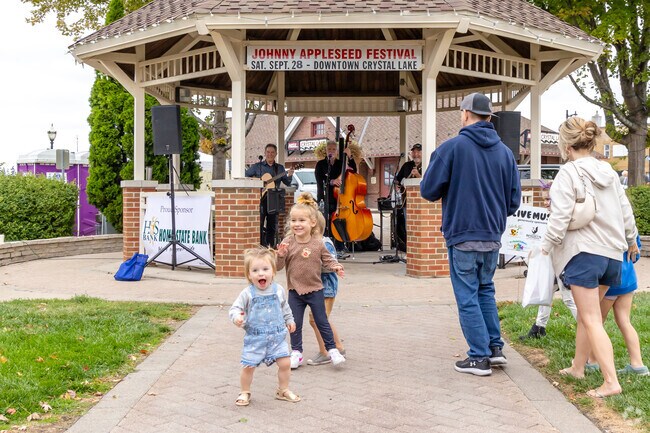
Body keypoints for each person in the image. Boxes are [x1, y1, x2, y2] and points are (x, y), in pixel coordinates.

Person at [420, 92, 521, 376]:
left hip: (462, 234)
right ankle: (495, 348)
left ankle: (478, 357)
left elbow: (428, 190)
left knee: (467, 295)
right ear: (489, 117)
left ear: (465, 114)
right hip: (492, 235)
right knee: (486, 289)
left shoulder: (451, 148)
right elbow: (513, 201)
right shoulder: (505, 153)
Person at [540, 116, 638, 398]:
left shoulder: (567, 174)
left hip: (584, 253)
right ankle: (577, 367)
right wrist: (631, 241)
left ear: (566, 146)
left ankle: (611, 381)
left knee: (592, 318)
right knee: (588, 316)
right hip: (612, 255)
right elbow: (625, 211)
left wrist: (544, 248)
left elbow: (559, 219)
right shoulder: (607, 172)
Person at [277, 193, 346, 369]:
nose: (297, 224)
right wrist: (280, 255)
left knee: (322, 321)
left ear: (312, 223)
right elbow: (278, 266)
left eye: (301, 220)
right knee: (294, 323)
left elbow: (328, 259)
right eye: (293, 221)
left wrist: (336, 267)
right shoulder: (288, 241)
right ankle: (296, 353)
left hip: (315, 289)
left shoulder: (318, 243)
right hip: (295, 291)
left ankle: (332, 351)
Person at [229, 247, 299, 406]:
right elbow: (235, 309)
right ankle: (244, 391)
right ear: (249, 274)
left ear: (273, 271)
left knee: (285, 363)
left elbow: (285, 307)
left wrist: (290, 320)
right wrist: (237, 317)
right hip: (255, 338)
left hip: (277, 336)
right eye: (255, 270)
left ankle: (283, 389)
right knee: (248, 366)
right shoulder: (247, 293)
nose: (261, 274)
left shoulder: (278, 290)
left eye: (265, 269)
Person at [597, 236, 648, 376]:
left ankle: (593, 360)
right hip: (629, 278)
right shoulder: (631, 227)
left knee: (596, 321)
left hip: (610, 282)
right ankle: (638, 364)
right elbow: (635, 254)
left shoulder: (609, 223)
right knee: (625, 321)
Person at [307, 212, 346, 365]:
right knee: (321, 319)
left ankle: (325, 351)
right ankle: (338, 346)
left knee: (317, 319)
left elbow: (332, 264)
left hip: (326, 287)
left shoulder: (324, 243)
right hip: (316, 286)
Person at [245, 143, 293, 247]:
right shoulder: (257, 166)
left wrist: (290, 175)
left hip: (273, 199)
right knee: (260, 223)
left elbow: (288, 182)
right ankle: (261, 245)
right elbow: (246, 176)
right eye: (268, 152)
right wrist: (257, 182)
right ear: (265, 153)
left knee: (272, 225)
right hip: (260, 198)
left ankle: (270, 246)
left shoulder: (279, 168)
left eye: (272, 152)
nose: (270, 154)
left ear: (276, 154)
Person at [314, 140, 357, 256]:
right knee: (325, 222)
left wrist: (350, 156)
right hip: (325, 197)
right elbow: (320, 182)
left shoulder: (341, 163)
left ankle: (339, 246)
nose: (331, 151)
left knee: (338, 221)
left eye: (334, 149)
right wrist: (332, 182)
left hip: (340, 198)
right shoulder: (321, 165)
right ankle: (324, 246)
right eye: (329, 149)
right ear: (326, 151)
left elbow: (354, 171)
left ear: (337, 152)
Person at [393, 143, 423, 251]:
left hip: (423, 203)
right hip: (407, 201)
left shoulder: (428, 164)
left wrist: (418, 175)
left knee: (421, 226)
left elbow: (429, 181)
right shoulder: (407, 165)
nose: (416, 154)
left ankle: (420, 249)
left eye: (418, 151)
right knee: (408, 226)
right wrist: (397, 186)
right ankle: (410, 250)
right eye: (414, 152)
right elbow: (397, 179)